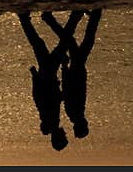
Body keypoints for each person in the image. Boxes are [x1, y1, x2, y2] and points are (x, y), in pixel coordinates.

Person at [18, 11, 83, 151]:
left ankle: (74, 15)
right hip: (48, 73)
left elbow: (41, 98)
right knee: (42, 44)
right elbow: (48, 99)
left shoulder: (51, 120)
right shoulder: (52, 121)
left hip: (47, 73)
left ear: (58, 137)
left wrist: (35, 77)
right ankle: (27, 18)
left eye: (64, 137)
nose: (65, 134)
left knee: (62, 43)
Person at [42, 10, 102, 139]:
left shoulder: (74, 112)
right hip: (77, 69)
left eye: (85, 126)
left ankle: (94, 13)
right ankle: (87, 14)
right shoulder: (76, 113)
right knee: (75, 40)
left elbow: (68, 89)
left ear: (82, 125)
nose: (87, 123)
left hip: (76, 69)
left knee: (78, 40)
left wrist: (64, 67)